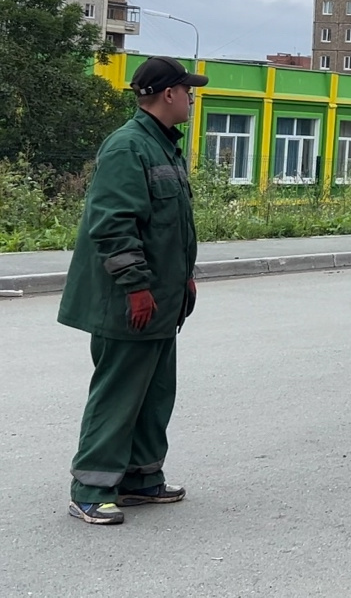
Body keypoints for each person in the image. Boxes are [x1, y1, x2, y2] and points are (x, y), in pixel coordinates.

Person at [59, 55, 208, 524]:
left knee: (155, 391)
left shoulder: (163, 146)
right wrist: (137, 288)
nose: (191, 98)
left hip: (160, 300)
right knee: (119, 393)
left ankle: (141, 479)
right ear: (168, 94)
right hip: (129, 301)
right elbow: (112, 226)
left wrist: (183, 276)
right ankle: (90, 488)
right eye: (188, 91)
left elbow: (169, 226)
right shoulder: (128, 147)